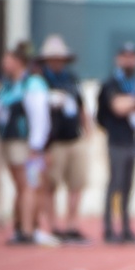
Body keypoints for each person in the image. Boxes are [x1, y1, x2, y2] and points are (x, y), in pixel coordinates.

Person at [0, 42, 56, 246]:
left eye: (8, 59)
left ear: (19, 62)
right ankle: (21, 226)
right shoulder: (9, 84)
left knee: (30, 185)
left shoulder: (32, 84)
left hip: (27, 145)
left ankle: (29, 229)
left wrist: (37, 146)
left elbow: (40, 118)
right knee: (23, 187)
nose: (4, 63)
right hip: (11, 142)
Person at [38, 34, 93, 244]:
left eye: (60, 58)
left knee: (76, 183)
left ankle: (71, 225)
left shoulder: (71, 78)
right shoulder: (41, 80)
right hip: (53, 141)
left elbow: (81, 107)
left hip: (74, 139)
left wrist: (87, 131)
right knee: (51, 184)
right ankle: (52, 225)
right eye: (53, 58)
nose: (57, 61)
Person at [97, 42, 135, 244]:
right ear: (118, 59)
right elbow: (117, 108)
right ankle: (109, 229)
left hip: (133, 140)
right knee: (115, 184)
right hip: (116, 140)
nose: (129, 60)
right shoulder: (111, 84)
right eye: (125, 56)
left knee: (128, 185)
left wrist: (130, 103)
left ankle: (126, 228)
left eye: (132, 56)